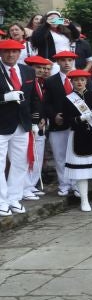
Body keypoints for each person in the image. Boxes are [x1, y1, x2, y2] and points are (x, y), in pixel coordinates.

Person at [0, 39, 42, 216]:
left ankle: (14, 198)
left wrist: (34, 121)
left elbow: (34, 98)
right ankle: (1, 200)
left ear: (20, 53)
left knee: (20, 163)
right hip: (1, 124)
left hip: (22, 124)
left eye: (15, 51)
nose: (11, 55)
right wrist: (3, 98)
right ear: (1, 53)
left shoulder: (27, 71)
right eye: (7, 52)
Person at [61, 69, 92, 211]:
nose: (79, 82)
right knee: (80, 173)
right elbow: (66, 121)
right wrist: (80, 118)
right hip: (78, 136)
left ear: (86, 81)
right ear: (72, 82)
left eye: (82, 80)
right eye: (76, 80)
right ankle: (84, 201)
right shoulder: (68, 98)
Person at [42, 50, 79, 196]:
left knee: (76, 155)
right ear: (58, 62)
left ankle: (76, 184)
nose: (67, 63)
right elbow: (46, 103)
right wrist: (53, 115)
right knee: (59, 155)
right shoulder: (50, 81)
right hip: (58, 124)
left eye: (70, 60)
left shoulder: (80, 78)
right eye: (63, 60)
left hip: (77, 124)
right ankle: (64, 184)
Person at [22, 55, 52, 200]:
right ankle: (25, 186)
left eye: (42, 68)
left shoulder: (41, 83)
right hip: (30, 124)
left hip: (41, 124)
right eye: (37, 67)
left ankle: (32, 184)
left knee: (38, 156)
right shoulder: (27, 82)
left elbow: (42, 104)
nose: (40, 70)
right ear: (30, 68)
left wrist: (43, 119)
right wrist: (34, 120)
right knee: (29, 156)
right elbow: (27, 104)